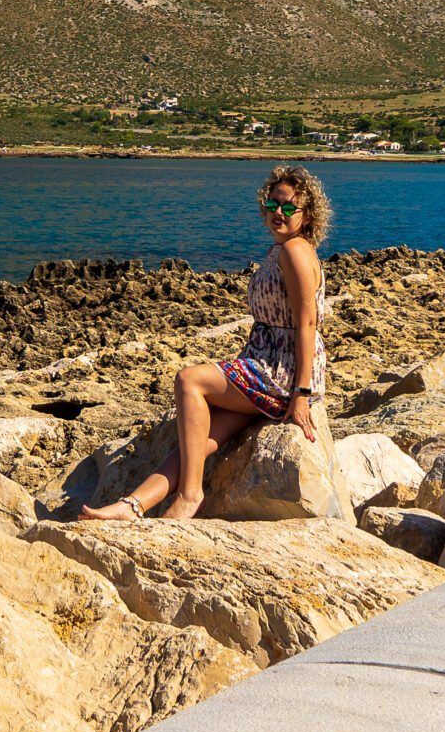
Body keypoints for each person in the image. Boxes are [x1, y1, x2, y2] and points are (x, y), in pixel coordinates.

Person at [81, 163, 329, 521]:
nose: (278, 212)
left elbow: (307, 322)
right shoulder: (282, 249)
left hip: (281, 373)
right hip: (263, 362)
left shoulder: (295, 251)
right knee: (196, 441)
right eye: (273, 204)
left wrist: (301, 395)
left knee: (189, 380)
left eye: (289, 207)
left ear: (307, 215)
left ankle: (189, 495)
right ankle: (132, 506)